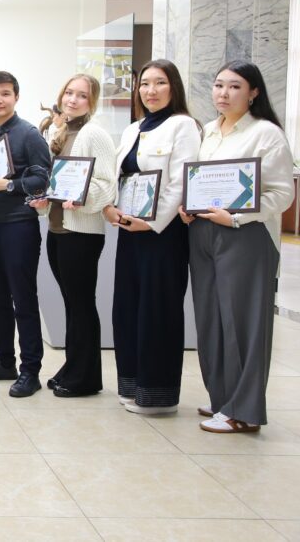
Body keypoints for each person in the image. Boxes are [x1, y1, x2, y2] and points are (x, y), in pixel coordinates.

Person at [179, 61, 294, 432]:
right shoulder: (209, 131)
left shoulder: (266, 134)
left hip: (245, 234)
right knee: (210, 317)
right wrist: (188, 205)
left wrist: (237, 217)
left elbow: (282, 193)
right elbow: (198, 180)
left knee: (243, 321)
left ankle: (243, 411)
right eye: (218, 85)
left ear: (253, 92)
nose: (223, 94)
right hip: (203, 231)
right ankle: (222, 398)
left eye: (234, 86)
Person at [103, 59, 200, 414]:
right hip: (130, 231)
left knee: (157, 311)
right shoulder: (134, 129)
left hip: (163, 234)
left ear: (174, 87)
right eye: (144, 84)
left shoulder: (183, 125)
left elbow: (180, 181)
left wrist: (153, 222)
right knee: (128, 308)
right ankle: (132, 384)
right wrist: (110, 207)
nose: (150, 90)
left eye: (160, 83)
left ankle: (158, 394)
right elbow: (121, 177)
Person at [29, 75, 117, 398]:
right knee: (71, 303)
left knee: (81, 305)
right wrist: (44, 200)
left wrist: (83, 198)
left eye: (82, 95)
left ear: (92, 101)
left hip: (81, 232)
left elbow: (107, 183)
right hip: (58, 229)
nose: (73, 99)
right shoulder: (61, 131)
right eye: (69, 93)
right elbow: (57, 183)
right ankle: (73, 367)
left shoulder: (94, 134)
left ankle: (85, 378)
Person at [0, 70, 51, 397]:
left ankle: (31, 370)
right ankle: (4, 361)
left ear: (16, 97)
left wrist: (9, 185)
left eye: (5, 93)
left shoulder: (29, 134)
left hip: (19, 226)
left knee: (23, 299)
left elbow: (43, 180)